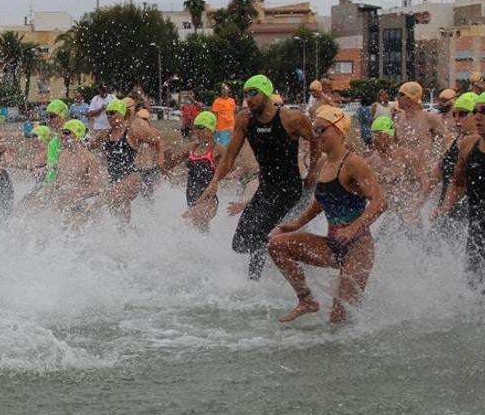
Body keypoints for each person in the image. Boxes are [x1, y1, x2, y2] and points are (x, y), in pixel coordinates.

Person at [268, 106, 386, 323]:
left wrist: (352, 228)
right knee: (277, 245)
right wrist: (296, 224)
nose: (316, 135)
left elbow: (380, 202)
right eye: (314, 130)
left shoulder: (353, 163)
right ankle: (306, 300)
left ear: (339, 132)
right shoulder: (323, 162)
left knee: (339, 320)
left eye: (322, 129)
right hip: (332, 244)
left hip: (358, 247)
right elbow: (321, 201)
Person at [198, 74, 320, 280]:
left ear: (266, 93)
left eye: (253, 93)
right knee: (240, 243)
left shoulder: (292, 119)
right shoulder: (245, 120)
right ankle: (278, 251)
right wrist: (214, 183)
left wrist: (313, 174)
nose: (248, 99)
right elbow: (229, 156)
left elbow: (316, 142)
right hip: (266, 188)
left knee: (260, 234)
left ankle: (256, 280)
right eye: (245, 94)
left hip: (289, 189)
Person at [435, 88, 485, 296]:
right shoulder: (468, 145)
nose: (477, 116)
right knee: (475, 289)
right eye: (475, 110)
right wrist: (445, 206)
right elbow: (458, 183)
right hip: (478, 232)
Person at [91, 98, 165, 223]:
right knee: (119, 213)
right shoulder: (104, 134)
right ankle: (127, 234)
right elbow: (88, 146)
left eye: (113, 112)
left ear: (122, 114)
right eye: (107, 113)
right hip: (114, 179)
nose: (109, 116)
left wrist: (160, 160)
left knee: (101, 201)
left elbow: (158, 141)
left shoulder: (133, 132)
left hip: (131, 178)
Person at [164, 111, 224, 231]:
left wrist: (221, 177)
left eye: (201, 128)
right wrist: (167, 156)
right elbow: (170, 165)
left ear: (211, 129)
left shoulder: (218, 150)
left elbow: (234, 168)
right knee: (200, 231)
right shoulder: (192, 147)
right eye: (195, 128)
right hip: (192, 199)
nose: (197, 132)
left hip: (209, 201)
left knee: (185, 222)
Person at [366, 116, 429, 227]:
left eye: (379, 134)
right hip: (386, 213)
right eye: (373, 134)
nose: (375, 138)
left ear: (390, 135)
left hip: (408, 209)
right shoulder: (371, 161)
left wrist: (418, 203)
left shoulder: (407, 156)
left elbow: (424, 180)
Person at [433, 92, 478, 223]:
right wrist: (420, 201)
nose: (457, 119)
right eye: (454, 114)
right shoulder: (449, 139)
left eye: (463, 114)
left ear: (476, 114)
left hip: (470, 210)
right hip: (448, 206)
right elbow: (438, 172)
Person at [394, 81, 446, 168]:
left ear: (411, 97)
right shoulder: (398, 118)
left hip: (424, 168)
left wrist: (438, 161)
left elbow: (446, 139)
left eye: (401, 95)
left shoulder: (429, 117)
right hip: (405, 170)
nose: (397, 98)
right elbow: (394, 145)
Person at [133, 107, 163, 201]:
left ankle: (151, 209)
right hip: (139, 166)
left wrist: (159, 161)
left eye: (145, 119)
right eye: (142, 119)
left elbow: (160, 147)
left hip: (150, 166)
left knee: (150, 191)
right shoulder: (134, 131)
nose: (143, 122)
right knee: (140, 191)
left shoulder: (154, 132)